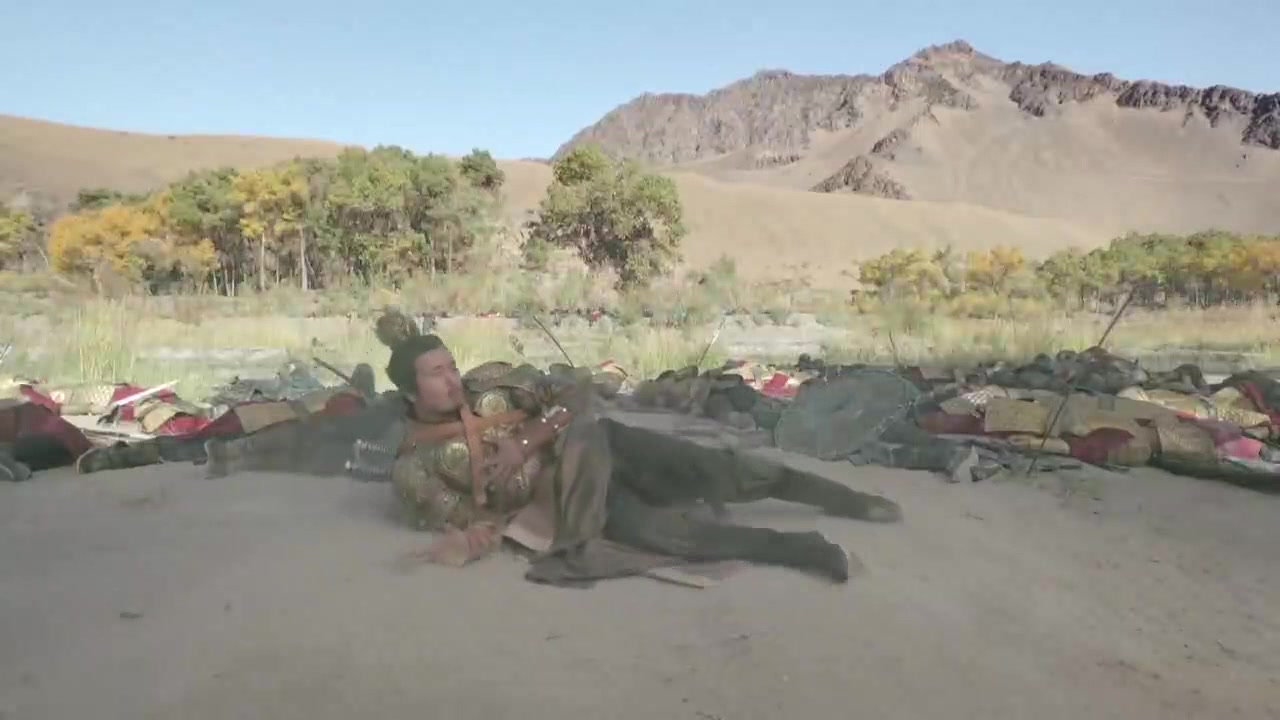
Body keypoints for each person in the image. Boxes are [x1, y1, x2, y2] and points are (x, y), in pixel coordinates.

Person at [374, 310, 903, 585]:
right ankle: (807, 550)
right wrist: (467, 542)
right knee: (671, 536)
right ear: (409, 391)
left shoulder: (492, 382)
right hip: (571, 503)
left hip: (602, 447)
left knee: (719, 470)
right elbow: (477, 519)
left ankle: (840, 497)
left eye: (450, 365)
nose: (452, 379)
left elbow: (575, 395)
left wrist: (527, 439)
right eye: (436, 374)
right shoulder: (415, 468)